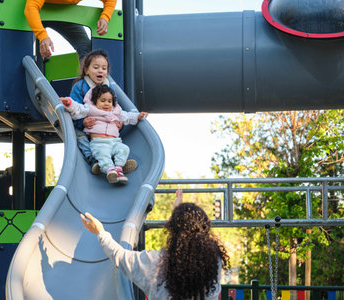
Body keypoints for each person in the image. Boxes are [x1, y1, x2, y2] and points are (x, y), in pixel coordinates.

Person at [80, 189, 230, 299]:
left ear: (173, 230)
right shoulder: (213, 262)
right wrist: (179, 212)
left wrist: (100, 232)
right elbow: (191, 234)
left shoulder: (156, 264)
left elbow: (120, 256)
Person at [61, 84, 148, 183]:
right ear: (95, 101)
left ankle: (119, 168)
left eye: (109, 101)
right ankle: (110, 170)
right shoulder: (91, 110)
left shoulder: (116, 112)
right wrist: (69, 103)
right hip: (99, 142)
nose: (106, 104)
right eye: (103, 101)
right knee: (103, 155)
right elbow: (78, 109)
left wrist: (138, 116)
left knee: (124, 149)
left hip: (115, 141)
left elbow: (127, 117)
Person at [69, 50, 137, 176]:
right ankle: (93, 160)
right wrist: (82, 122)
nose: (100, 71)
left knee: (116, 142)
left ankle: (118, 163)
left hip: (105, 126)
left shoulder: (109, 87)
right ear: (86, 70)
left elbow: (115, 107)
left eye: (104, 68)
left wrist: (119, 121)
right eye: (96, 67)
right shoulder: (80, 87)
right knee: (79, 137)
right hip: (87, 126)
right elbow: (74, 109)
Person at [24, 0, 117, 59]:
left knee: (86, 48)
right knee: (22, 50)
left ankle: (84, 86)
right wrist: (42, 36)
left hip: (62, 14)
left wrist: (105, 17)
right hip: (26, 14)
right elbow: (30, 8)